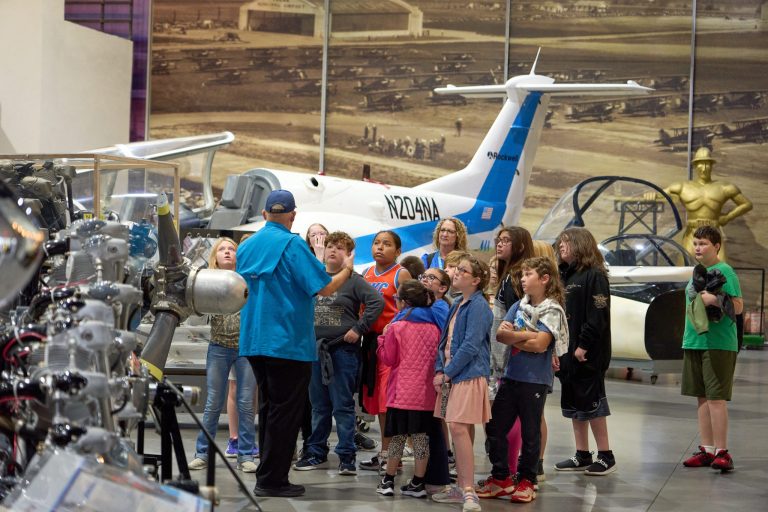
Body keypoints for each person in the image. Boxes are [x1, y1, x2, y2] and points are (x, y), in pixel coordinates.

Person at [237, 190, 355, 498]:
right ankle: (273, 480)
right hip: (287, 341)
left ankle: (267, 473)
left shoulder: (246, 247)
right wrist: (347, 269)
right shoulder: (293, 246)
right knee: (285, 413)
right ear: (292, 216)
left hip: (253, 340)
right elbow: (326, 288)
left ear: (264, 214)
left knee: (268, 409)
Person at [478, 257, 568, 503]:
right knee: (495, 427)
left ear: (544, 279)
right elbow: (500, 335)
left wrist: (516, 335)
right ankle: (501, 478)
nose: (522, 279)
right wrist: (527, 335)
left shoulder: (552, 309)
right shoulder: (518, 305)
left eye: (528, 275)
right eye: (522, 275)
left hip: (535, 379)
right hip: (511, 375)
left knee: (530, 432)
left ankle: (527, 479)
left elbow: (541, 345)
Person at [295, 232, 384, 475]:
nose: (334, 250)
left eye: (340, 248)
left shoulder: (353, 280)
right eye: (331, 246)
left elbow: (377, 302)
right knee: (318, 406)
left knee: (342, 407)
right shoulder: (316, 277)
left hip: (341, 350)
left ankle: (346, 457)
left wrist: (359, 328)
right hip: (314, 350)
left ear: (349, 255)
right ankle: (316, 452)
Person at [189, 237, 257, 473]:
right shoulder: (208, 280)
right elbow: (194, 314)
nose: (228, 252)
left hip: (246, 348)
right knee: (212, 403)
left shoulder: (247, 279)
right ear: (215, 255)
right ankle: (202, 452)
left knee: (246, 403)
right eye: (223, 249)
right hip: (218, 346)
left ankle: (246, 454)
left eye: (232, 249)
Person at [432, 255, 493, 512]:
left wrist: (446, 373)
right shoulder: (457, 303)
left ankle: (469, 491)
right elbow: (444, 342)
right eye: (456, 269)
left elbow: (470, 345)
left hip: (467, 375)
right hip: (452, 375)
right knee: (460, 429)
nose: (456, 273)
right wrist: (440, 369)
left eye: (463, 270)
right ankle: (462, 487)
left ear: (476, 280)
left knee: (457, 427)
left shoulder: (479, 306)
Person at [554, 227, 616, 476]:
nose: (561, 246)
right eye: (560, 242)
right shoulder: (563, 275)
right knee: (572, 402)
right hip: (566, 351)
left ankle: (606, 455)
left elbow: (598, 314)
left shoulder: (595, 275)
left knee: (591, 403)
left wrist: (583, 345)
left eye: (566, 242)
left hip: (587, 352)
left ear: (580, 244)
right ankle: (582, 453)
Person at [680, 226, 743, 472]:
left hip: (718, 344)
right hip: (694, 341)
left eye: (703, 243)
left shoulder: (726, 271)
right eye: (695, 243)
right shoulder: (698, 272)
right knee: (702, 398)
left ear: (716, 246)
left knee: (716, 399)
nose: (698, 247)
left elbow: (737, 307)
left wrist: (715, 300)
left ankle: (722, 452)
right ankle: (707, 450)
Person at [375, 280, 443, 498]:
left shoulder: (397, 326)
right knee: (421, 439)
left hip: (401, 394)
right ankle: (418, 483)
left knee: (398, 438)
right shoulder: (436, 326)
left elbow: (389, 358)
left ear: (403, 302)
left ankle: (388, 480)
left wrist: (382, 338)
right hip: (426, 395)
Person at [359, 231, 412, 473]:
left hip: (392, 344)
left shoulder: (401, 273)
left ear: (398, 251)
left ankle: (392, 457)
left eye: (387, 244)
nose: (380, 247)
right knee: (376, 402)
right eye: (377, 243)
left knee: (387, 404)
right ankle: (385, 453)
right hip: (370, 343)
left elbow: (410, 307)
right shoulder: (367, 272)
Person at [663, 147, 752, 262]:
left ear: (712, 165)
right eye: (701, 164)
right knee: (685, 269)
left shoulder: (724, 187)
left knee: (721, 271)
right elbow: (660, 195)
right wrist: (649, 195)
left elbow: (746, 204)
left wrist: (727, 217)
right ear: (695, 166)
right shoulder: (682, 187)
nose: (704, 168)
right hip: (692, 234)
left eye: (707, 164)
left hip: (713, 233)